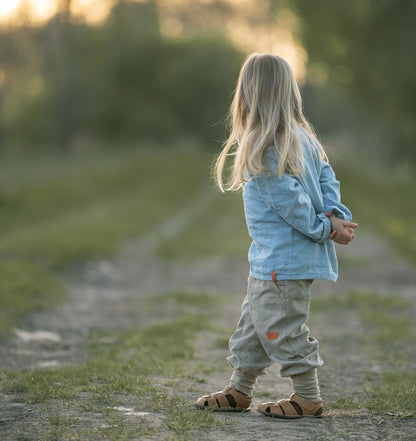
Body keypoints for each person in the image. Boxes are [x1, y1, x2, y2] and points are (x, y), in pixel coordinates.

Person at [194, 53, 357, 419]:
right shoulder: (304, 138)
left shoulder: (266, 147)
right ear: (289, 92)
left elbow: (292, 204)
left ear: (247, 95)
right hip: (273, 262)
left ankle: (307, 396)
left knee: (282, 329)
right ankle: (240, 389)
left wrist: (325, 225)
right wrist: (334, 215)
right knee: (253, 326)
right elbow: (328, 179)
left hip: (281, 264)